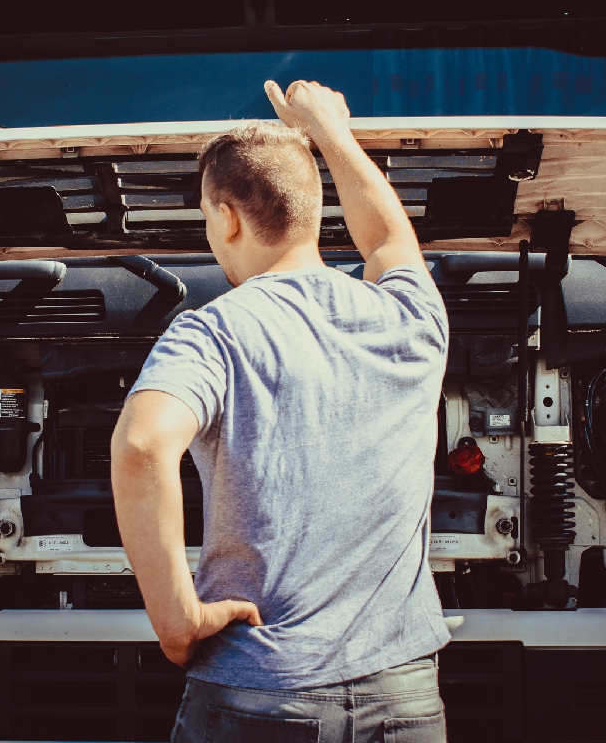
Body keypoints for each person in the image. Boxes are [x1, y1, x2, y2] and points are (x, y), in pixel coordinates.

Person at [111, 81, 449, 742]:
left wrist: (176, 621)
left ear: (228, 219)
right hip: (405, 691)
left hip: (261, 692)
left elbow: (142, 446)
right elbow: (386, 238)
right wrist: (330, 132)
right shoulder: (411, 316)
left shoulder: (212, 333)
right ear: (315, 212)